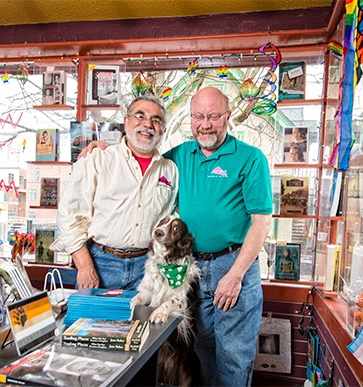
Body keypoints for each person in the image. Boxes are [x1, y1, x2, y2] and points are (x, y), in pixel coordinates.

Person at [81, 87, 272, 386]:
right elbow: (142, 158)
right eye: (198, 116)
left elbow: (262, 222)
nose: (205, 124)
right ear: (190, 119)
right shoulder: (180, 156)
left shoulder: (250, 158)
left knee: (234, 357)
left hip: (234, 267)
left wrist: (235, 276)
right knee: (202, 350)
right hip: (192, 269)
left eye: (213, 116)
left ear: (228, 117)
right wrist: (103, 149)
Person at [49, 95, 178, 290]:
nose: (148, 125)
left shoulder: (171, 170)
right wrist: (85, 267)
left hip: (149, 267)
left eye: (156, 120)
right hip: (100, 263)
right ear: (126, 122)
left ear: (164, 130)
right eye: (140, 116)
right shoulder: (97, 159)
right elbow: (69, 216)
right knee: (90, 321)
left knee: (143, 322)